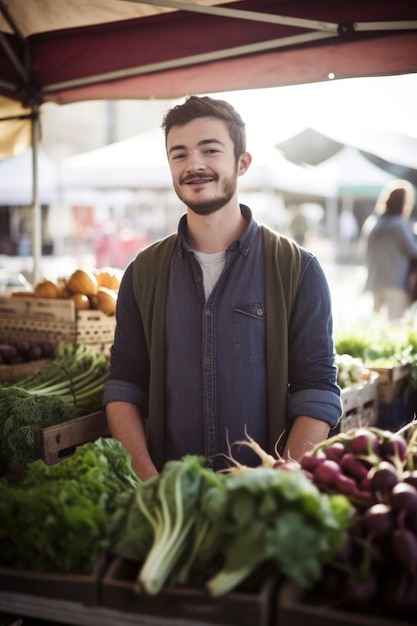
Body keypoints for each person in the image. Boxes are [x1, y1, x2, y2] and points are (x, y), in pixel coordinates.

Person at [103, 95, 342, 480]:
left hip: (262, 505)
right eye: (178, 155)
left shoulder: (297, 269)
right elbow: (124, 383)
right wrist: (148, 478)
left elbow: (317, 390)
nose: (194, 165)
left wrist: (281, 481)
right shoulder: (143, 273)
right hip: (173, 499)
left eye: (210, 150)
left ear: (242, 162)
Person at [364, 179, 417, 320]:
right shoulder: (398, 224)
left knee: (374, 323)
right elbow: (413, 250)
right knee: (394, 323)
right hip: (395, 282)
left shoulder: (375, 223)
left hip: (375, 280)